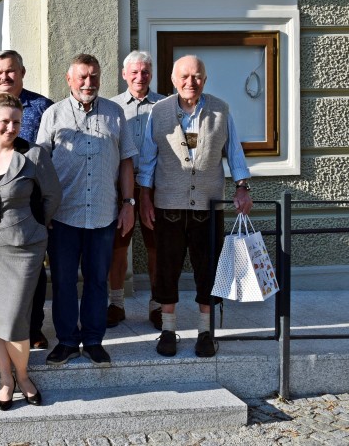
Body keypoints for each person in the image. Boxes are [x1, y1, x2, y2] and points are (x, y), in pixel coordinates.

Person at [138, 55, 253, 358]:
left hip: (208, 204)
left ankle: (205, 331)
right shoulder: (159, 111)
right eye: (185, 76)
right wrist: (145, 198)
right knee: (167, 268)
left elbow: (235, 153)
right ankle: (168, 329)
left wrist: (242, 187)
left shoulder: (220, 110)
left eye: (197, 76)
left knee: (209, 270)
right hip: (168, 205)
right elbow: (148, 159)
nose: (191, 82)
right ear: (174, 80)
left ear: (205, 79)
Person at [0, 93, 62, 410]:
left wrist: (35, 225)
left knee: (17, 318)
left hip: (25, 248)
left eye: (16, 122)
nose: (11, 127)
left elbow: (52, 196)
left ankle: (23, 375)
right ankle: (6, 379)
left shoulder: (34, 155)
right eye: (5, 121)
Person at [38, 54, 137, 368]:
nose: (88, 83)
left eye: (93, 76)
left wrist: (128, 204)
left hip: (104, 213)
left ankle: (94, 340)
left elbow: (126, 162)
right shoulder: (52, 115)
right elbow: (40, 165)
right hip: (63, 215)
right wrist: (43, 210)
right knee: (64, 280)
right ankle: (66, 341)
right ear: (69, 79)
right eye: (81, 76)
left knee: (97, 280)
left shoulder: (115, 114)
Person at [0, 50, 54, 349]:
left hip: (29, 203)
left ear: (22, 71)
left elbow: (49, 163)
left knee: (32, 276)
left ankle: (34, 327)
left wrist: (41, 219)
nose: (5, 77)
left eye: (11, 71)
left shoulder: (43, 107)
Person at [108, 51, 164, 330]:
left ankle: (157, 306)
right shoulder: (113, 107)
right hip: (122, 188)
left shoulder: (166, 105)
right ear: (124, 74)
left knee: (156, 249)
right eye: (134, 72)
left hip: (156, 188)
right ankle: (116, 304)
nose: (140, 77)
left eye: (145, 71)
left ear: (151, 74)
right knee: (118, 248)